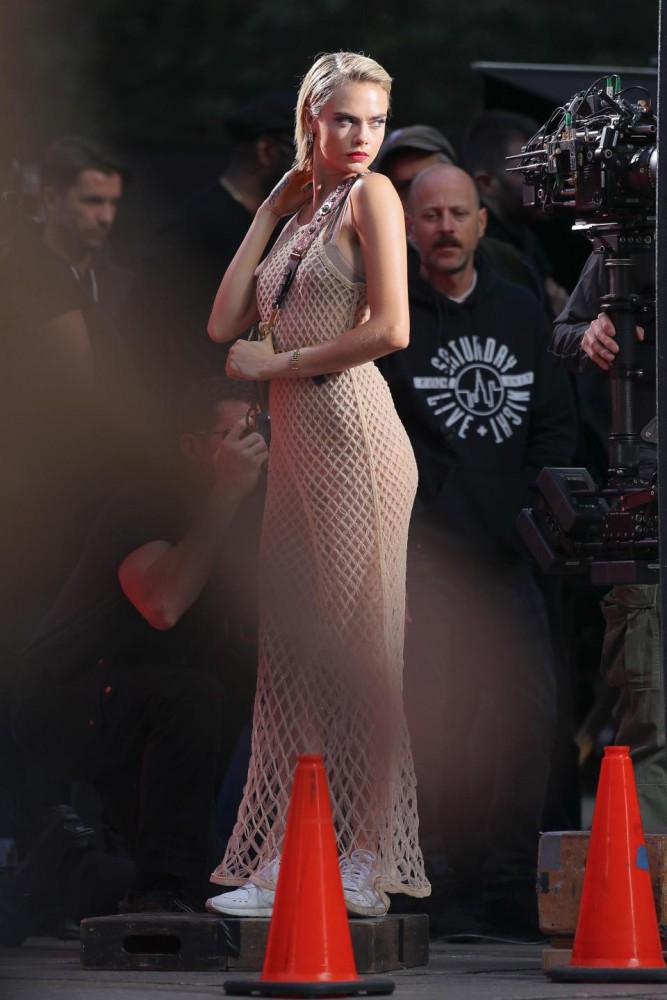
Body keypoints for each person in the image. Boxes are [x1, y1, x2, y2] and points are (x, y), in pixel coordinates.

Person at [205, 51, 430, 919]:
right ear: (311, 119)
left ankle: (367, 858)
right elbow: (223, 322)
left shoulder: (373, 195)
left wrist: (279, 362)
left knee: (356, 659)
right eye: (345, 119)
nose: (363, 136)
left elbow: (392, 328)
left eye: (375, 120)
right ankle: (288, 856)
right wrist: (269, 209)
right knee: (293, 659)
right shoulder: (302, 209)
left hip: (354, 437)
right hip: (301, 450)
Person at [378, 163, 577, 936]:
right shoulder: (392, 315)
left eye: (458, 213)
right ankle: (437, 879)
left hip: (508, 552)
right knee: (439, 717)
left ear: (482, 221)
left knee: (529, 715)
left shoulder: (519, 310)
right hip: (427, 554)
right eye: (430, 215)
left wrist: (531, 513)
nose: (445, 228)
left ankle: (505, 881)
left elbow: (554, 424)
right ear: (409, 227)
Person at [11, 377, 268, 914]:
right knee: (193, 696)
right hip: (64, 694)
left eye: (258, 430)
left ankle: (64, 875)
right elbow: (162, 603)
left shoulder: (253, 510)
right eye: (234, 434)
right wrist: (225, 494)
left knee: (180, 879)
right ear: (192, 446)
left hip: (141, 701)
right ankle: (161, 897)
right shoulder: (147, 500)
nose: (253, 446)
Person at [550, 248, 666, 832]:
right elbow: (563, 334)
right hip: (647, 505)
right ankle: (650, 884)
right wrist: (590, 336)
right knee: (650, 720)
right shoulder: (634, 237)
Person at [121, 91, 296, 418]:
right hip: (211, 422)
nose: (313, 166)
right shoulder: (192, 229)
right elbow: (143, 331)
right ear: (267, 150)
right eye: (304, 149)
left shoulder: (285, 227)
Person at [376, 123, 543, 298]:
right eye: (404, 188)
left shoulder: (507, 264)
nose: (418, 196)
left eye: (431, 181)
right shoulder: (370, 276)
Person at [463, 109, 571, 317]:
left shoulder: (526, 237)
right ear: (487, 184)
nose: (545, 178)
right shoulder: (476, 256)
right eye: (529, 170)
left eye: (544, 164)